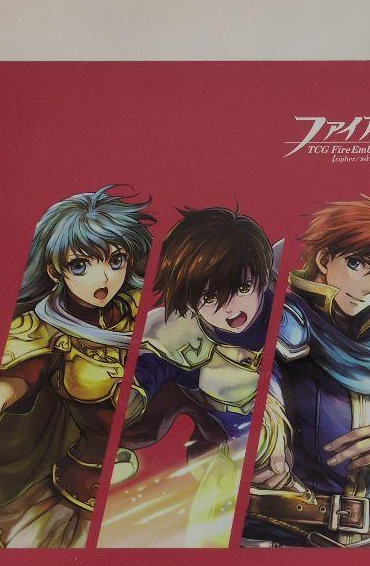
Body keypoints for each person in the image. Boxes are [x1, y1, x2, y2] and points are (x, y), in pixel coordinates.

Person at [0, 185, 154, 548]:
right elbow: (15, 381)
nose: (103, 279)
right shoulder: (43, 331)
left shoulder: (145, 307)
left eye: (115, 260)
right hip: (84, 492)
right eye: (81, 265)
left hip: (161, 482)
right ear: (54, 270)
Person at [244, 196, 370, 547]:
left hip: (364, 541)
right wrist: (267, 428)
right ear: (324, 259)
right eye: (357, 264)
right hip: (281, 534)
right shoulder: (287, 323)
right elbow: (258, 378)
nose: (369, 288)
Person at [118, 205, 283, 547]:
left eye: (241, 287)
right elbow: (149, 371)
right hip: (231, 460)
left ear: (261, 277)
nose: (230, 308)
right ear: (191, 302)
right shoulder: (180, 334)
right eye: (209, 296)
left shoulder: (290, 318)